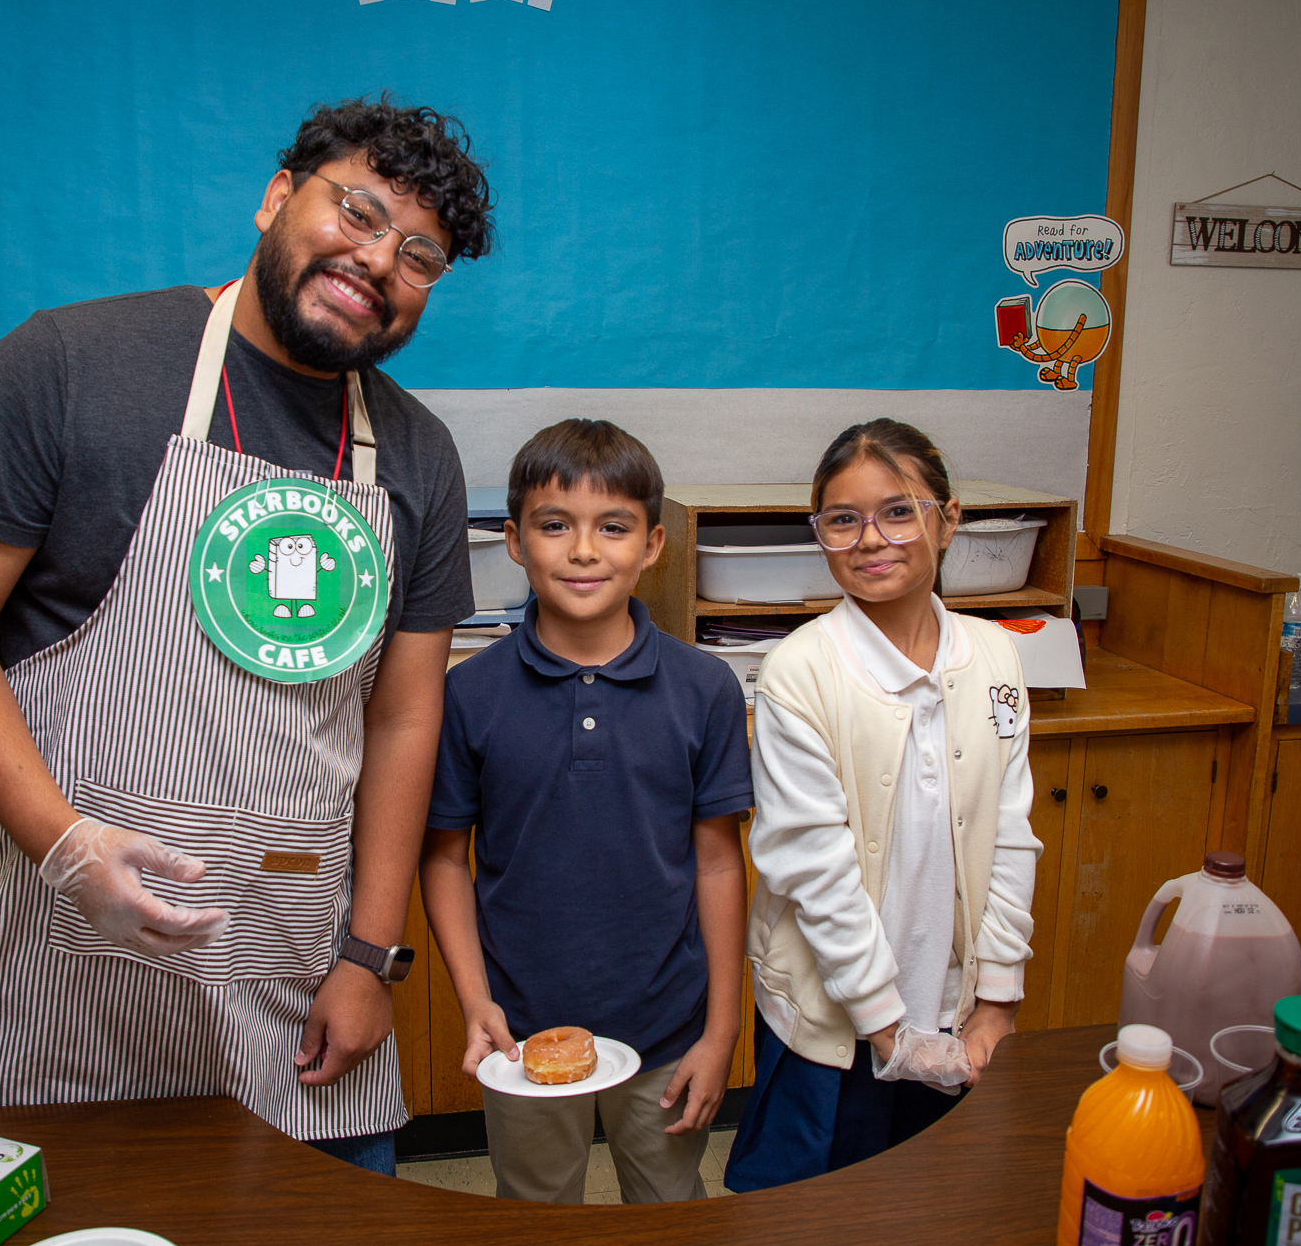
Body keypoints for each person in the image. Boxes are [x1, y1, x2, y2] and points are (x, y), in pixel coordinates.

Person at [0, 95, 496, 1175]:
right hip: (60, 970)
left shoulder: (415, 456)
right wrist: (67, 849)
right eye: (355, 209)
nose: (377, 259)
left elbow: (401, 718)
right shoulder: (71, 365)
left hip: (291, 982)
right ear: (273, 196)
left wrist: (367, 959)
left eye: (419, 254)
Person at [420, 420, 752, 1203]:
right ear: (513, 539)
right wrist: (477, 1002)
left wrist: (722, 1029)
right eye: (554, 524)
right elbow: (443, 859)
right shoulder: (469, 694)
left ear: (653, 542)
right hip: (521, 1027)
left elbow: (717, 860)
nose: (583, 550)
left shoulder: (705, 688)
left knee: (671, 1212)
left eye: (613, 527)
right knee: (535, 1217)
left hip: (671, 1022)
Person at [723, 419, 1041, 1191]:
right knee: (810, 1222)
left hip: (953, 1008)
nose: (872, 538)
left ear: (949, 516)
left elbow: (1010, 836)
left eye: (899, 510)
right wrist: (888, 1025)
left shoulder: (995, 655)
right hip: (838, 1019)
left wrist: (995, 1001)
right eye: (843, 519)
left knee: (932, 1214)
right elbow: (813, 865)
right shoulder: (801, 670)